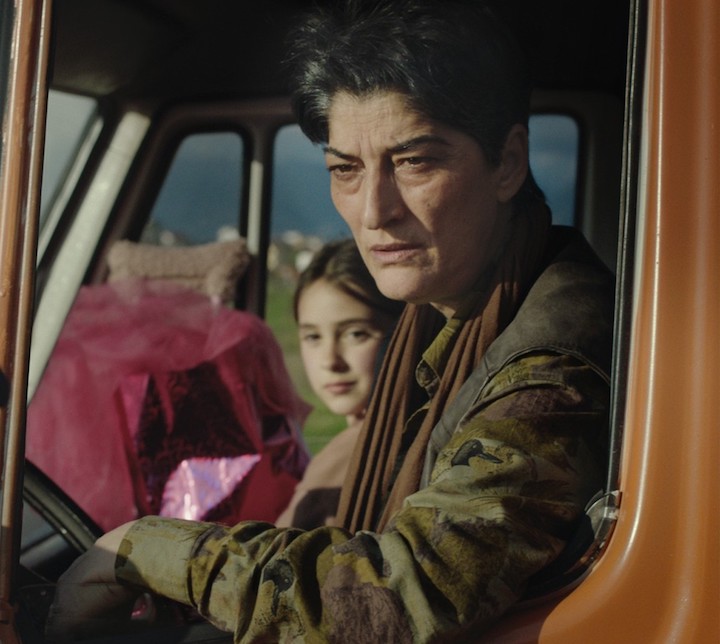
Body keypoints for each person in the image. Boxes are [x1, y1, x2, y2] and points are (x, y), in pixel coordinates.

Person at [47, 1, 615, 641]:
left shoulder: (552, 363)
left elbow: (406, 592)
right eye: (345, 169)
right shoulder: (451, 313)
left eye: (414, 161)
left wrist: (141, 550)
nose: (374, 211)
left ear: (507, 163)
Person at [275, 238, 404, 529]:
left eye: (356, 334)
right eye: (313, 337)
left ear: (401, 332)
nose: (330, 361)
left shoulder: (357, 449)